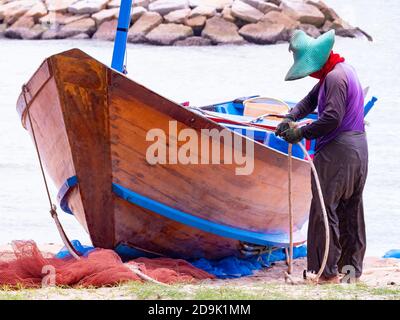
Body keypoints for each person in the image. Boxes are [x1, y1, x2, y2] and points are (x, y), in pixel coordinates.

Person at [276, 30, 368, 284]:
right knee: (351, 209)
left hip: (338, 151)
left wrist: (300, 133)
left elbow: (331, 118)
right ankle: (350, 272)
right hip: (359, 149)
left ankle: (327, 273)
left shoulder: (335, 79)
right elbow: (310, 100)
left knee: (324, 209)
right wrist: (290, 117)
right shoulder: (341, 70)